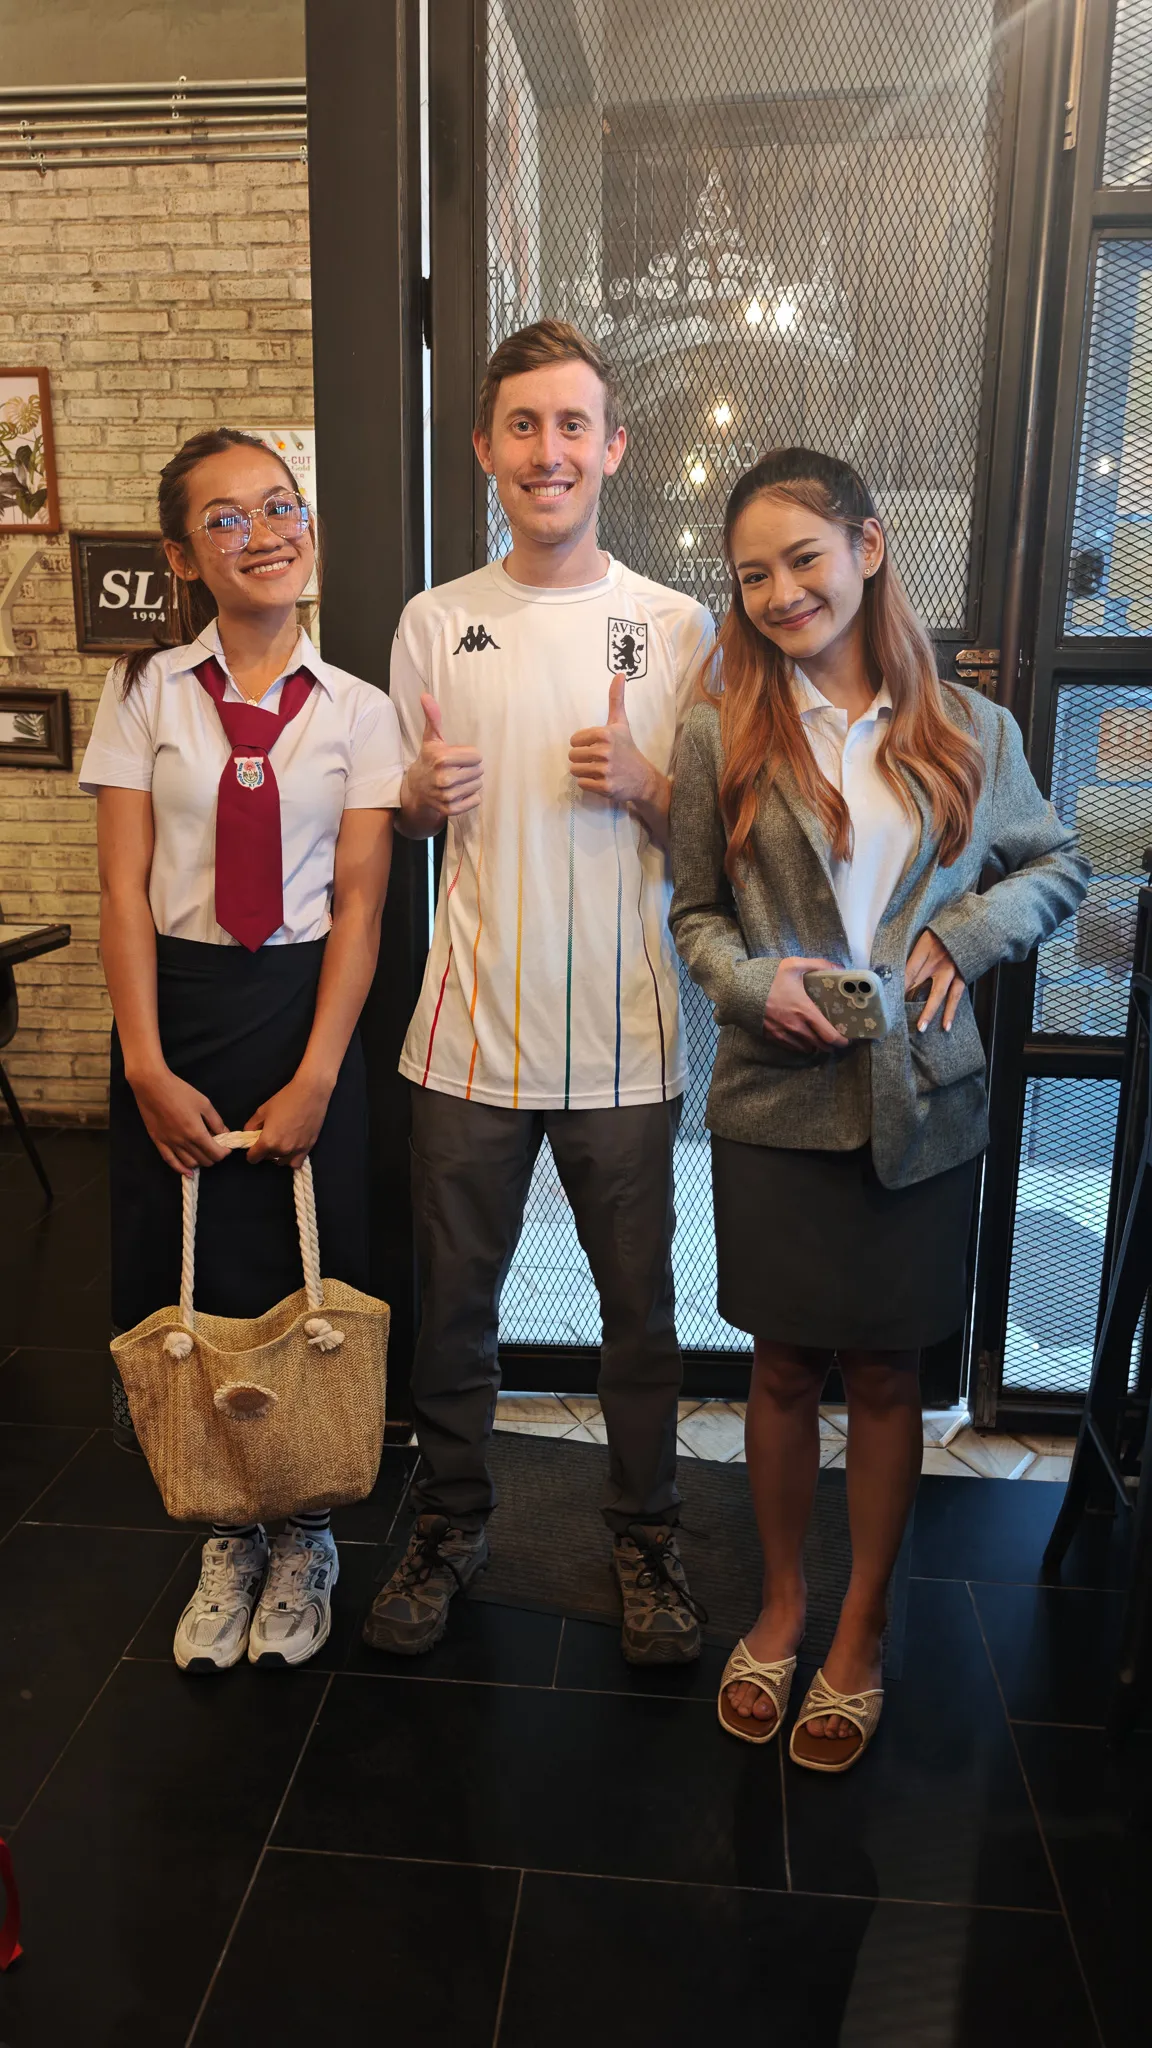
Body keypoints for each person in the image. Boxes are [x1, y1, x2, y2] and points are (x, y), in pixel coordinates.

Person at [669, 447, 1088, 1769]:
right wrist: (753, 984)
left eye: (803, 558)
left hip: (923, 1100)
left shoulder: (970, 729)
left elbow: (1056, 865)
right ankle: (782, 1606)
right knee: (783, 1366)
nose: (782, 592)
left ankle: (862, 1627)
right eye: (753, 576)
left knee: (891, 1373)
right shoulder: (721, 728)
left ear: (868, 545)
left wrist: (966, 933)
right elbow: (695, 915)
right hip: (775, 1094)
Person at [362, 320, 713, 1665]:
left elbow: (720, 833)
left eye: (574, 425)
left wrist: (652, 788)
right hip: (465, 1035)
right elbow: (400, 815)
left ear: (613, 448)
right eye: (525, 425)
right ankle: (450, 1523)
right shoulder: (433, 620)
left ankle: (648, 1537)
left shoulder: (675, 625)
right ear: (485, 448)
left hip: (625, 1037)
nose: (549, 450)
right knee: (453, 1305)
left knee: (640, 1315)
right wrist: (411, 799)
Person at [80, 427, 402, 1673]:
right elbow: (121, 895)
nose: (264, 533)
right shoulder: (145, 693)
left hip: (305, 1009)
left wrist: (320, 1073)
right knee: (194, 1281)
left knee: (306, 1279)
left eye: (280, 506)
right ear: (182, 555)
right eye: (226, 517)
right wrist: (144, 1066)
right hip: (175, 1012)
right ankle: (226, 1530)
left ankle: (307, 1529)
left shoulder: (360, 709)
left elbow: (360, 908)